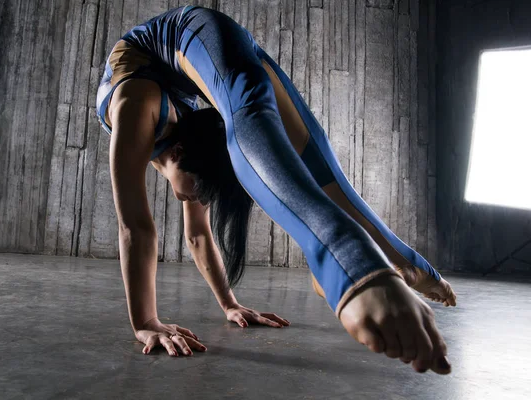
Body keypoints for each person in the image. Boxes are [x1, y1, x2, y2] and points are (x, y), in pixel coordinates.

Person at [96, 5, 457, 374]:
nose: (195, 200)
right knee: (251, 116)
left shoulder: (184, 136)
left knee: (315, 159)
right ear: (179, 152)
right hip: (194, 35)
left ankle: (388, 263)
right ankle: (359, 262)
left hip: (209, 48)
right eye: (203, 191)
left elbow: (198, 234)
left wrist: (230, 304)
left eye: (203, 194)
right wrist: (145, 322)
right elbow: (137, 228)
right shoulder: (135, 105)